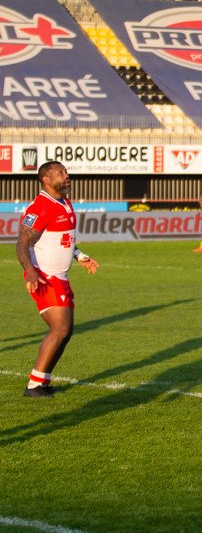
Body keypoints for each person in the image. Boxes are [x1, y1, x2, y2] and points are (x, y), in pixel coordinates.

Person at [15, 162, 99, 397]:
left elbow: (65, 239)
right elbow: (22, 241)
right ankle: (34, 385)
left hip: (60, 277)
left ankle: (42, 381)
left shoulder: (64, 202)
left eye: (66, 172)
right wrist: (30, 271)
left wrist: (78, 255)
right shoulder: (41, 207)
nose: (67, 176)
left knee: (66, 330)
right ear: (46, 180)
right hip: (44, 277)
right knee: (60, 328)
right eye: (60, 173)